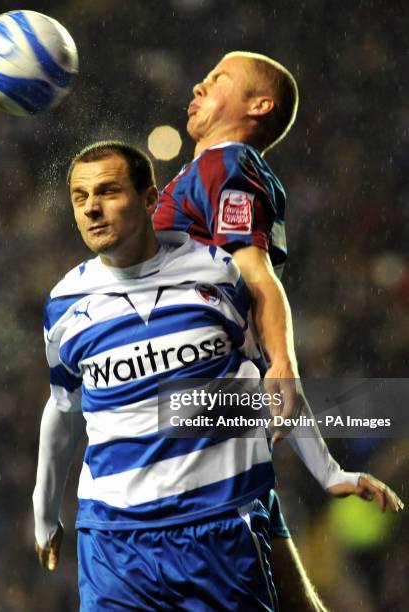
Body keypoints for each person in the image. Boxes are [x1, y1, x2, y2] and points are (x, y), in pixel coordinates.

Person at [152, 51, 403, 610]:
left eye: (218, 79)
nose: (197, 82)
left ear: (257, 106)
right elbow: (255, 367)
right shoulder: (203, 176)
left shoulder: (229, 165)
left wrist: (285, 365)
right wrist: (328, 469)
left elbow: (255, 277)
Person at [34, 141, 283, 610]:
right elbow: (62, 407)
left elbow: (258, 380)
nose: (92, 208)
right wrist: (43, 513)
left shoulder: (216, 273)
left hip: (217, 531)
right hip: (112, 541)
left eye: (107, 191)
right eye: (80, 197)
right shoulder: (63, 305)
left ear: (150, 200)